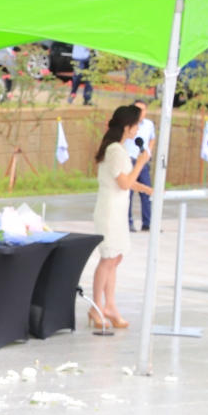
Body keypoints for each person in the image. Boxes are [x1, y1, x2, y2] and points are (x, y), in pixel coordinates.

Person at [90, 105, 152, 330]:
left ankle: (110, 305)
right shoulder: (115, 150)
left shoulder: (119, 148)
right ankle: (96, 306)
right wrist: (141, 163)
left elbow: (126, 180)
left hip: (117, 209)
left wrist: (146, 189)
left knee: (115, 258)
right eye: (136, 124)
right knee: (108, 258)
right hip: (110, 211)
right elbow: (124, 183)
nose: (138, 129)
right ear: (127, 126)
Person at [125, 100, 154, 232]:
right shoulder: (127, 124)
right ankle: (128, 222)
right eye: (137, 109)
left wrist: (149, 152)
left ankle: (147, 222)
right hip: (129, 160)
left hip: (142, 161)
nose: (140, 112)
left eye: (143, 109)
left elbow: (152, 138)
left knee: (147, 192)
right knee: (128, 192)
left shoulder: (149, 124)